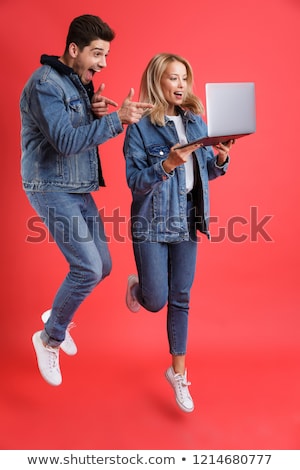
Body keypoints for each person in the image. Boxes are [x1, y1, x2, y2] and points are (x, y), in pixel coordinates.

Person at [20, 14, 152, 386]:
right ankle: (49, 338)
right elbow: (63, 142)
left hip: (76, 185)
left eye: (106, 55)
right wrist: (116, 121)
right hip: (49, 185)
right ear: (73, 49)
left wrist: (91, 112)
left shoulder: (74, 81)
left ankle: (55, 315)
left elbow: (68, 129)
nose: (103, 63)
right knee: (88, 269)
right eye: (97, 54)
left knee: (105, 266)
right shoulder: (45, 84)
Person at [124, 53, 234, 413]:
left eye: (184, 78)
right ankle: (136, 288)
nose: (181, 85)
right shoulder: (140, 129)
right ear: (158, 82)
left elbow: (204, 175)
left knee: (181, 297)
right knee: (155, 300)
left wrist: (219, 158)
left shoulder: (197, 122)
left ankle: (178, 373)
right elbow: (135, 184)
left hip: (188, 218)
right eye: (173, 78)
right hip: (152, 221)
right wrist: (166, 165)